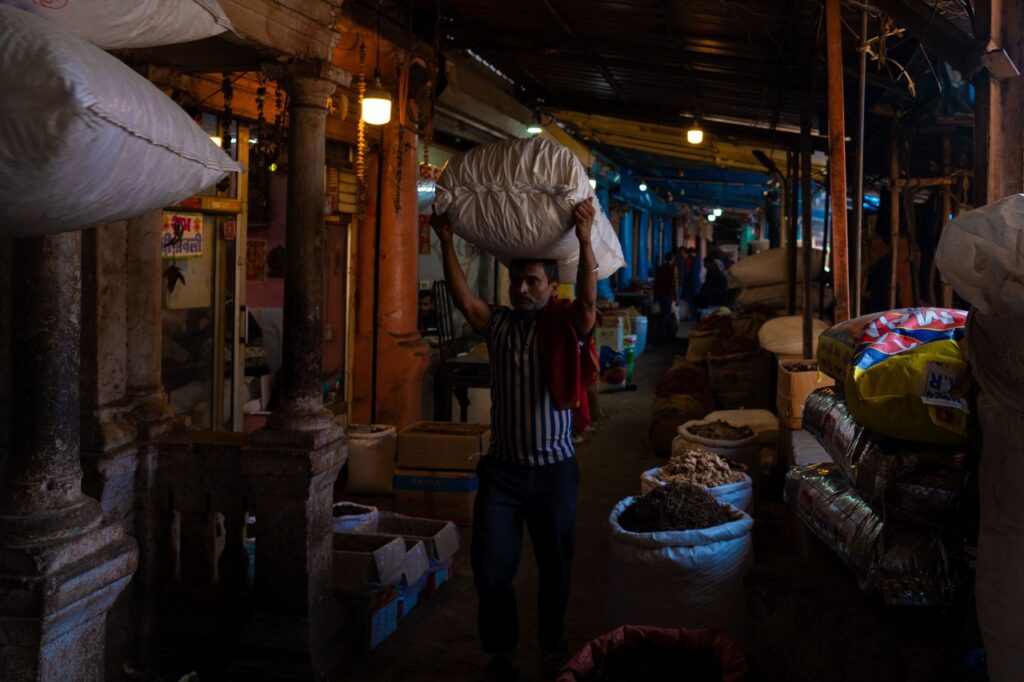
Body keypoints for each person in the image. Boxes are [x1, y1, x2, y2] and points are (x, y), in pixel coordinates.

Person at [431, 199, 599, 682]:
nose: (522, 289)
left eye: (533, 283)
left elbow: (589, 302)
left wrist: (585, 240)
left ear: (551, 287)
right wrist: (446, 241)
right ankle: (502, 649)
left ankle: (552, 643)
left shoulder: (568, 324)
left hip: (554, 474)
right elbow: (465, 301)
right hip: (502, 474)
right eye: (517, 281)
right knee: (490, 567)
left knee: (555, 568)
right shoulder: (499, 324)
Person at [653, 250, 678, 342]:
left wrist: (655, 296)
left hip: (661, 294)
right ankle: (667, 335)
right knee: (667, 314)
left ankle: (661, 334)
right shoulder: (673, 269)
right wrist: (676, 297)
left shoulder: (661, 268)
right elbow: (674, 284)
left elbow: (657, 283)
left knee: (663, 313)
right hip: (669, 294)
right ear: (673, 259)